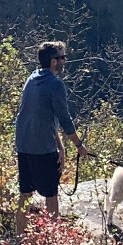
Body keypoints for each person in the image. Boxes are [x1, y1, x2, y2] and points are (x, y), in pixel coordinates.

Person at [14, 40, 83, 216]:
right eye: (62, 57)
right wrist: (79, 146)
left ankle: (20, 233)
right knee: (51, 195)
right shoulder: (55, 85)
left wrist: (60, 147)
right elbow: (65, 120)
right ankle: (53, 232)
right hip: (42, 149)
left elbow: (44, 119)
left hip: (23, 145)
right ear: (54, 61)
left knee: (25, 194)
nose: (65, 61)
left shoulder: (32, 78)